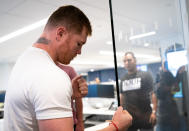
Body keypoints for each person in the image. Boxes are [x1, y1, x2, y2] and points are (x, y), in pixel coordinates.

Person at [4, 5, 132, 131]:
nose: (79, 52)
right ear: (60, 33)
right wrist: (116, 127)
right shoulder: (50, 76)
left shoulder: (24, 60)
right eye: (78, 44)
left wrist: (70, 95)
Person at [120, 52, 157, 131]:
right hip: (129, 119)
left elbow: (153, 94)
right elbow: (122, 97)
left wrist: (154, 112)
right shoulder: (123, 79)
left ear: (135, 60)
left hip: (145, 117)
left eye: (129, 60)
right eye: (125, 61)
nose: (127, 63)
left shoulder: (146, 75)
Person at [56, 62, 84, 131]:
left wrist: (80, 123)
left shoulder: (68, 70)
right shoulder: (39, 70)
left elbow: (78, 98)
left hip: (69, 120)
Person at [155, 62, 181, 131]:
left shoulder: (169, 75)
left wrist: (169, 89)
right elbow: (158, 92)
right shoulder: (159, 75)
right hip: (162, 112)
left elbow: (177, 88)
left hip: (171, 110)